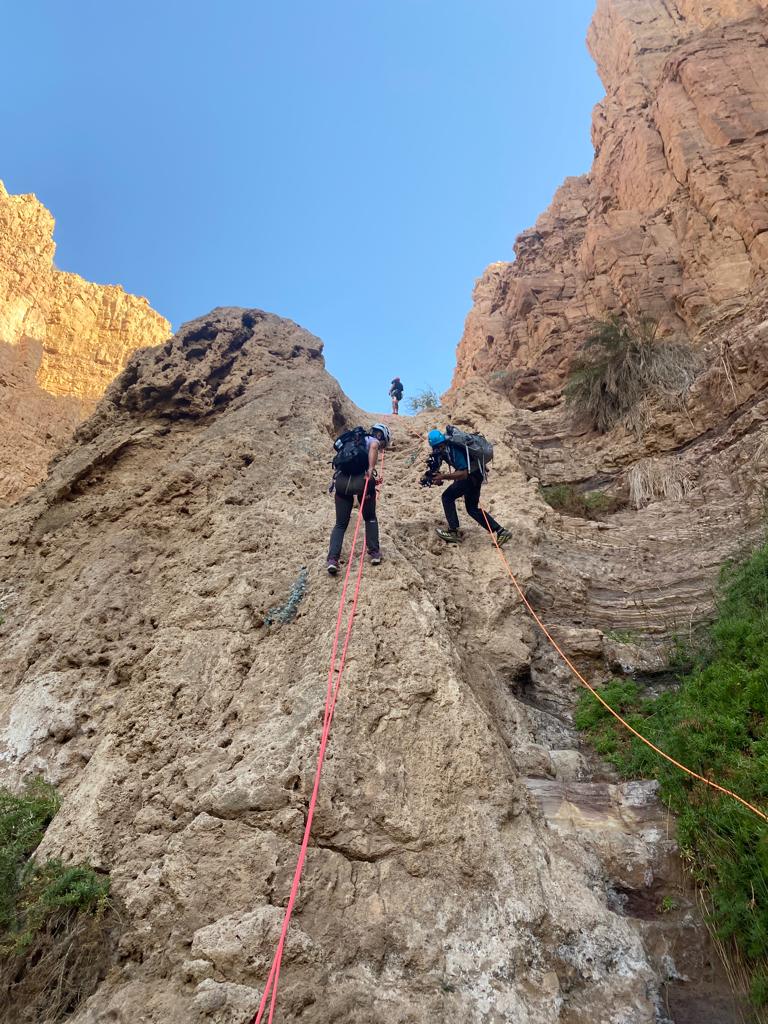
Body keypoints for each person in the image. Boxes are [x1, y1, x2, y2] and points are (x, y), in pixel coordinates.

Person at [426, 428, 512, 546]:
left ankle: (453, 532)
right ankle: (501, 531)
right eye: (436, 446)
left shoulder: (452, 449)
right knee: (472, 508)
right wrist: (439, 478)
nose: (438, 448)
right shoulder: (446, 449)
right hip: (477, 475)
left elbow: (463, 473)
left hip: (470, 477)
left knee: (447, 497)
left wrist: (443, 476)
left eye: (439, 446)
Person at [327, 423, 391, 575]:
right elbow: (374, 446)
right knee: (369, 518)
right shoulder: (371, 440)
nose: (381, 446)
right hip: (362, 482)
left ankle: (332, 559)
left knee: (340, 524)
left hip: (341, 483)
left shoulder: (350, 441)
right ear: (380, 435)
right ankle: (374, 552)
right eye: (383, 443)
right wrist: (370, 469)